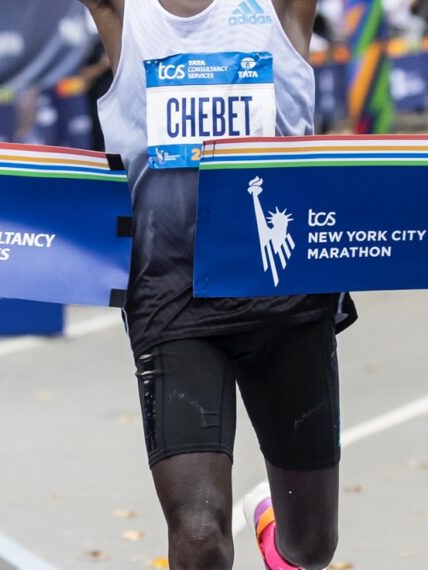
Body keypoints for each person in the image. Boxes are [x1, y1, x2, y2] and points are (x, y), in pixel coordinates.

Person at [79, 0, 355, 568]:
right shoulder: (124, 11)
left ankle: (275, 527)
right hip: (172, 295)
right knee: (200, 534)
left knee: (312, 546)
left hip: (285, 291)